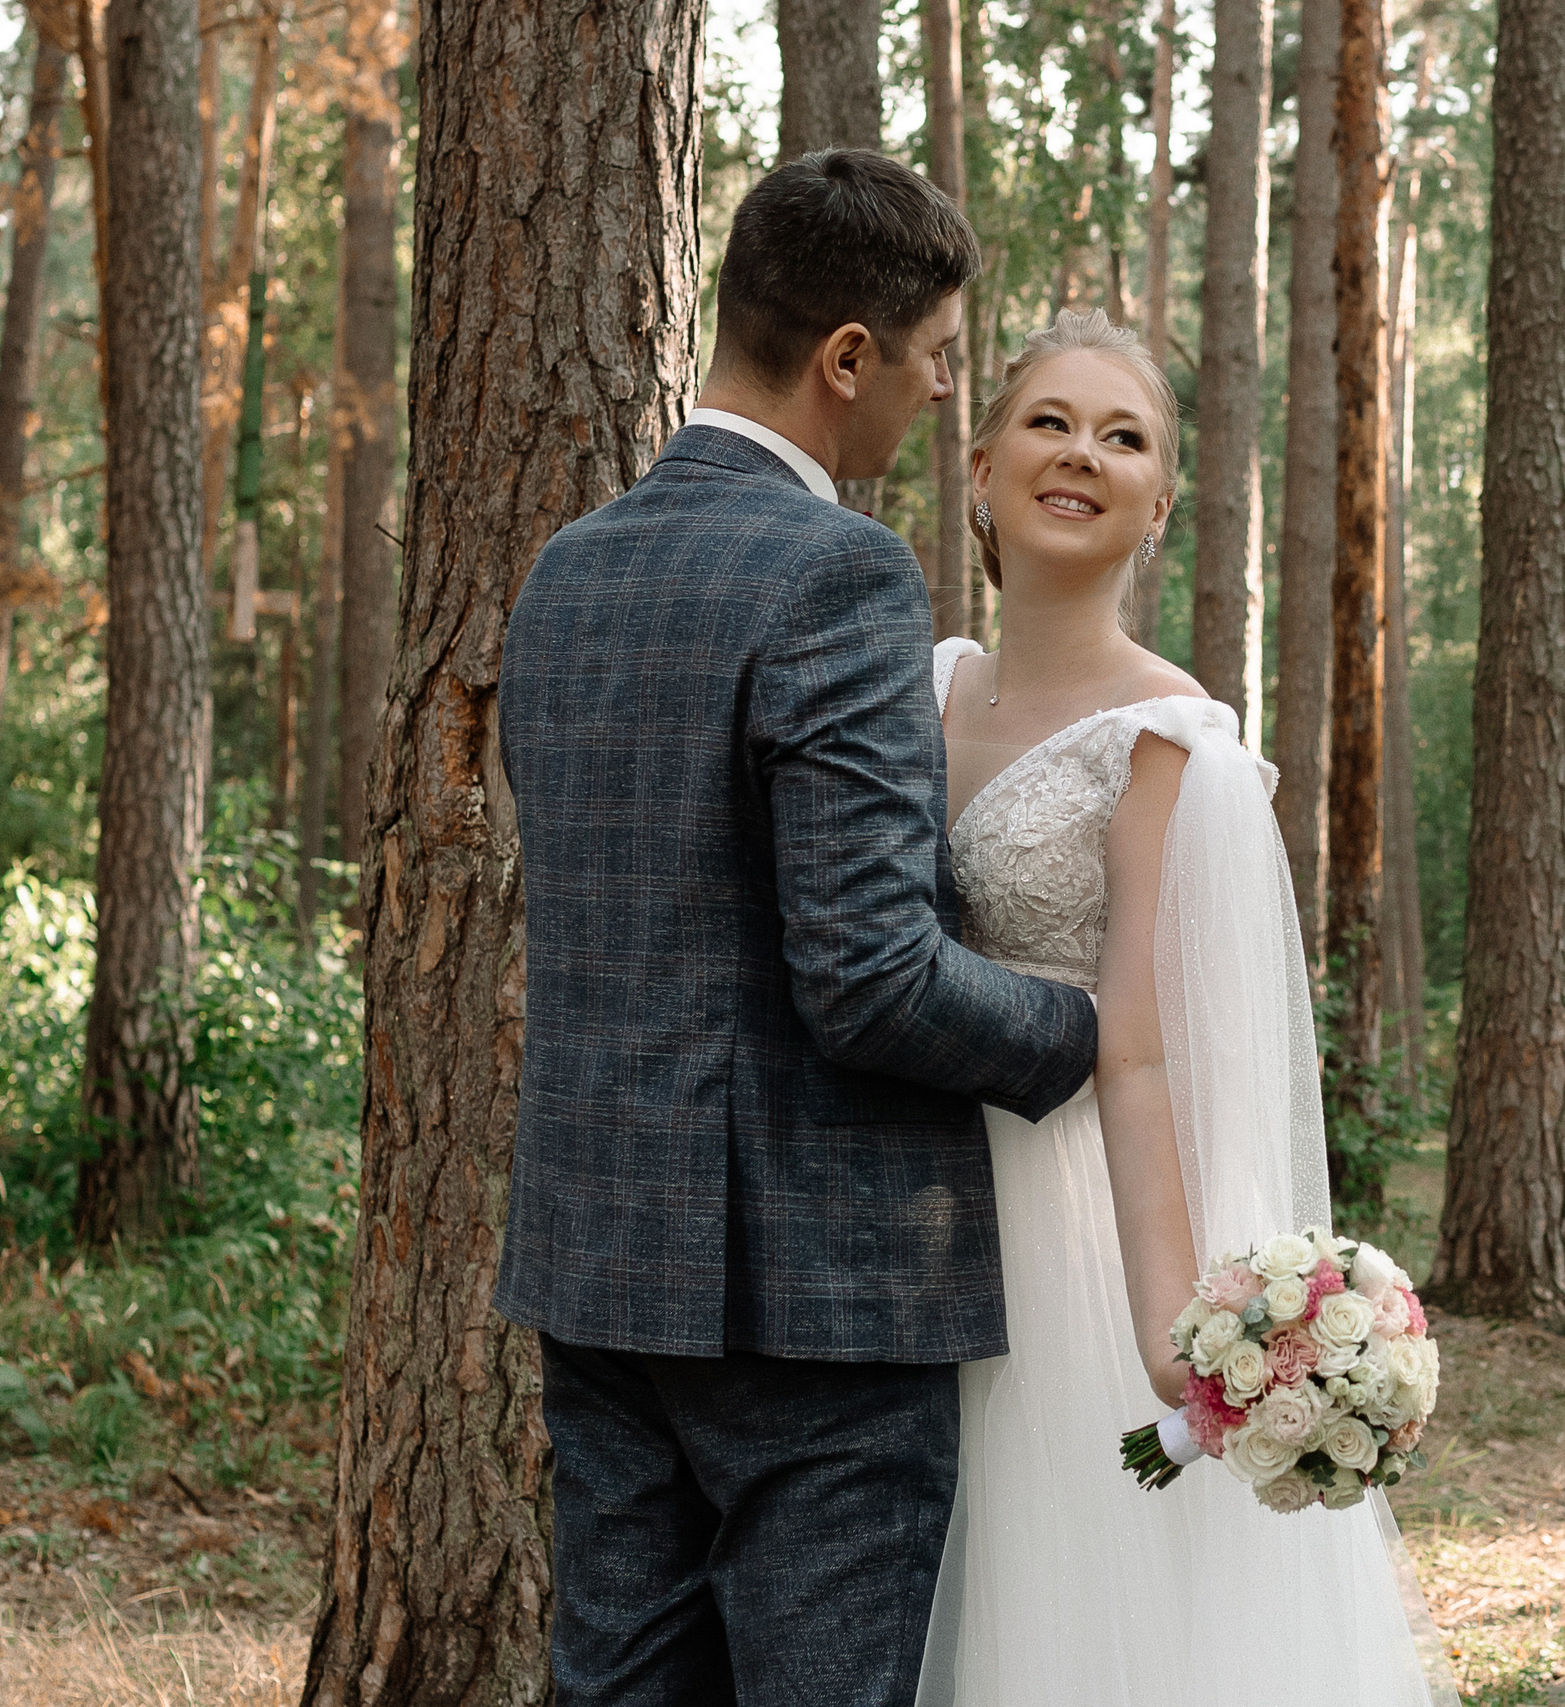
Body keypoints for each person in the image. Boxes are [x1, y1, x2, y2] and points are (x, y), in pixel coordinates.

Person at [492, 150, 1100, 1706]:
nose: (943, 399)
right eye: (937, 360)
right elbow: (870, 978)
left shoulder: (567, 571)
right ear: (847, 358)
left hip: (600, 1269)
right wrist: (1084, 1029)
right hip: (818, 1303)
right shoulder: (837, 572)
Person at [913, 307, 1458, 1706]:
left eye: (1124, 436)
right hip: (895, 1202)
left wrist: (1181, 1339)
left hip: (1067, 1228)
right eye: (1048, 421)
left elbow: (1153, 1056)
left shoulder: (1171, 743)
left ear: (1159, 506)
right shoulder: (923, 686)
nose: (1079, 452)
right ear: (979, 465)